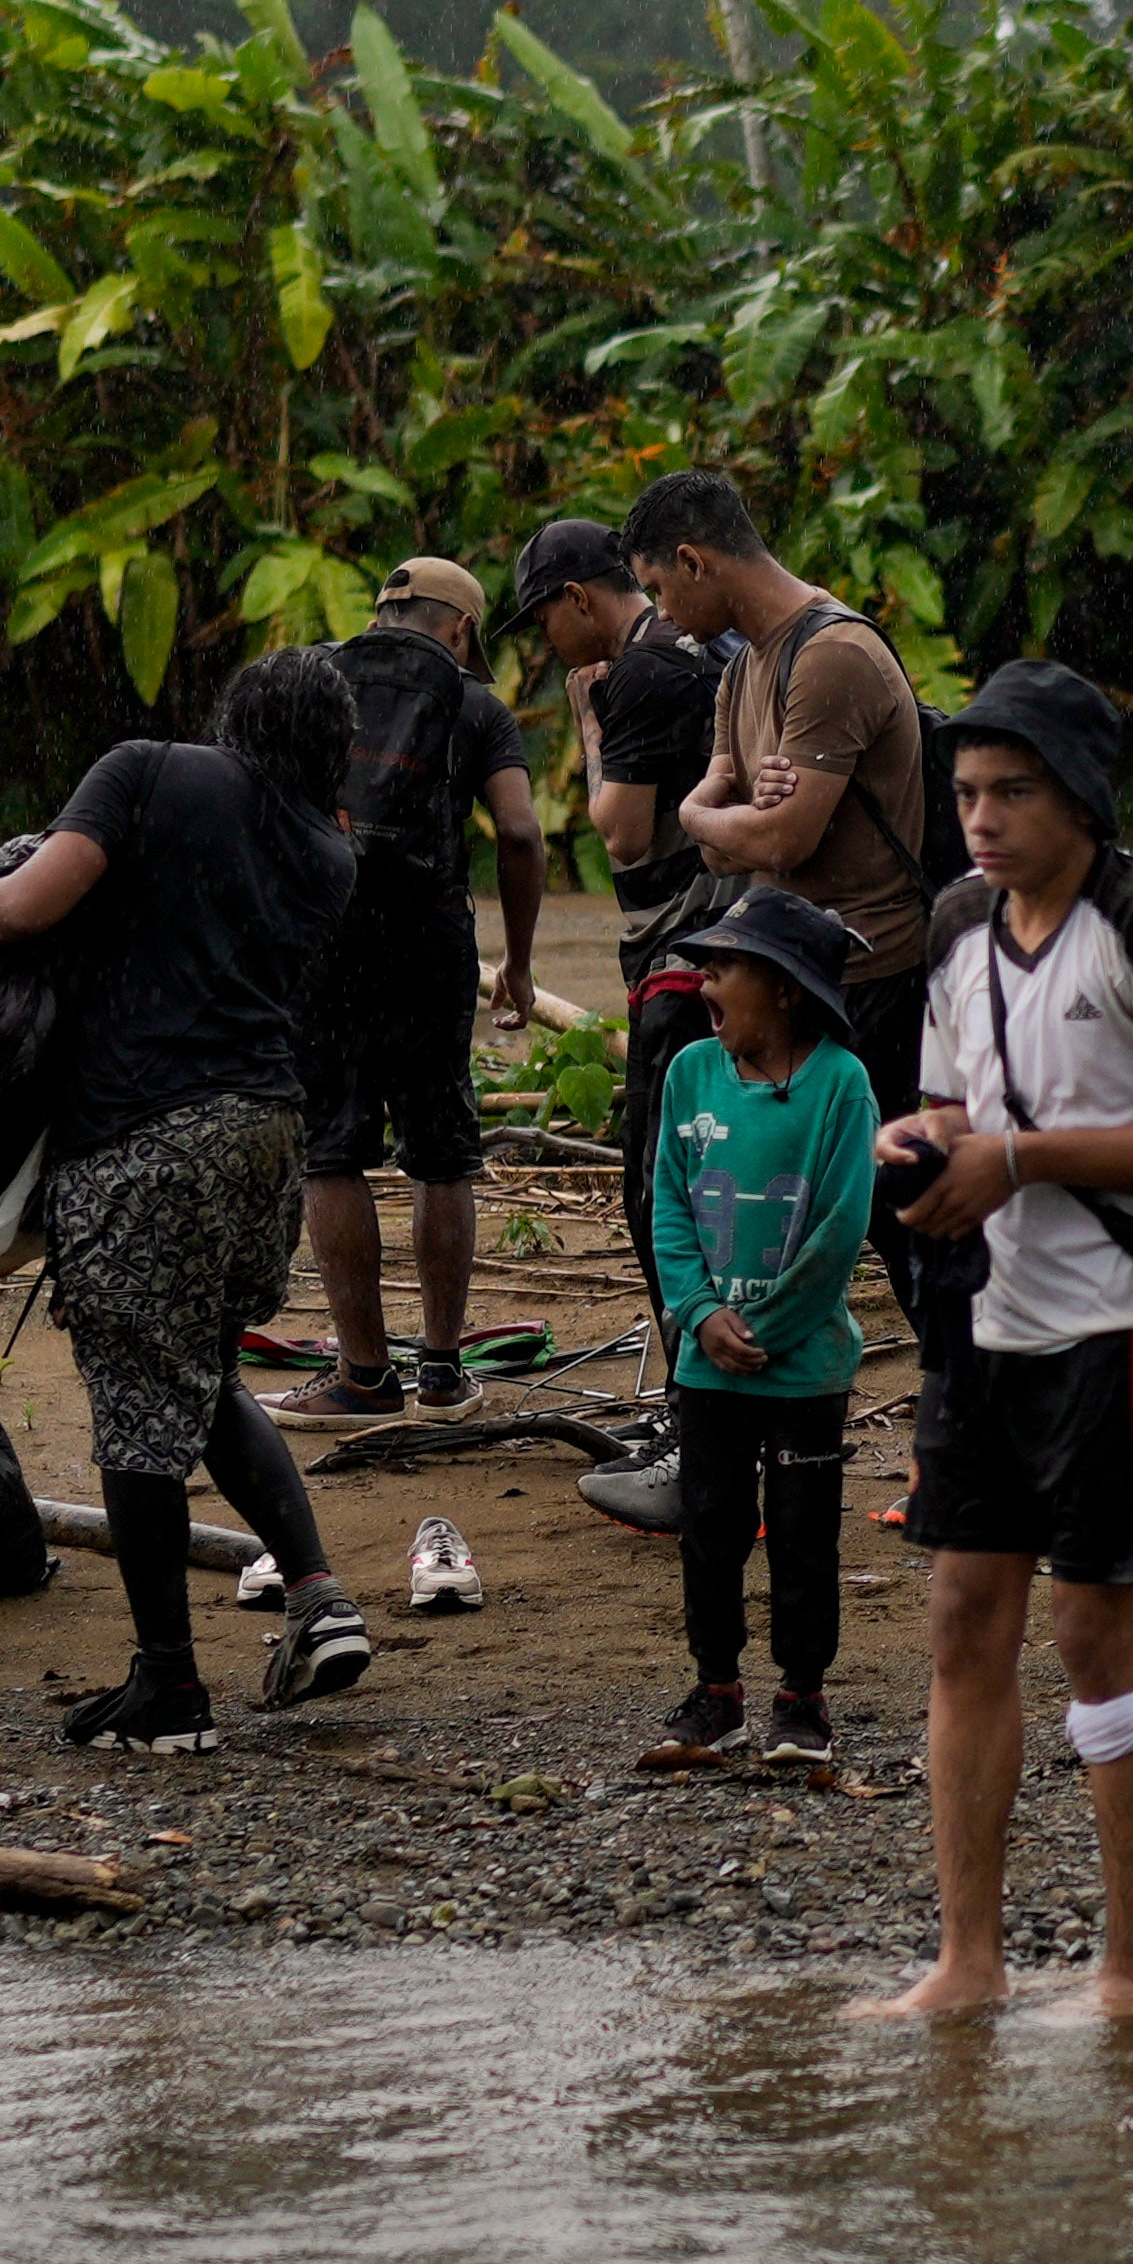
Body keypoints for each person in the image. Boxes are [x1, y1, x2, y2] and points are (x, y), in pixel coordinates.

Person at [882, 663, 1133, 2023]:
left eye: (1011, 792)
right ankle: (966, 1962)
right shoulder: (957, 929)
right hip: (984, 1316)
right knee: (963, 1618)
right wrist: (915, 1146)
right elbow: (942, 1104)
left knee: (1100, 1631)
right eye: (967, 792)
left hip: (1119, 1321)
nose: (980, 817)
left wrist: (1022, 1156)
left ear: (1079, 795)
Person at [0, 647, 379, 1745]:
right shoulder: (330, 848)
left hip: (147, 1137)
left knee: (137, 1397)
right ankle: (317, 1596)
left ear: (235, 711)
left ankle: (169, 1686)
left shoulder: (150, 770)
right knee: (198, 1370)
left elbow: (23, 909)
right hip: (268, 1133)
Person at [629, 474, 952, 1388]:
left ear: (694, 560)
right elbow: (722, 818)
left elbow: (776, 835)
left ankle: (976, 1425)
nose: (661, 611)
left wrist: (713, 820)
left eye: (659, 587)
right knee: (771, 1203)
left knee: (905, 1211)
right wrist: (714, 818)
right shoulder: (743, 666)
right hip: (791, 979)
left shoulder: (832, 656)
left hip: (874, 976)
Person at [634, 882, 884, 1783]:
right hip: (709, 1366)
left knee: (805, 1530)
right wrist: (701, 1318)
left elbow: (839, 1226)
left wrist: (764, 1328)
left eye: (722, 967)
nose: (703, 982)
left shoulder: (840, 1086)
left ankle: (802, 1696)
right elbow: (666, 1202)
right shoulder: (690, 1073)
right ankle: (717, 1691)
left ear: (782, 987)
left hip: (803, 1363)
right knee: (709, 1524)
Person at [520, 509, 738, 1530]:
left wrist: (588, 719)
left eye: (544, 620)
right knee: (698, 1179)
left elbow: (619, 827)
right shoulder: (700, 651)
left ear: (578, 598)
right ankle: (709, 1413)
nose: (546, 646)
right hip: (721, 947)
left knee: (659, 1186)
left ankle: (704, 1428)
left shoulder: (644, 672)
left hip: (682, 956)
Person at [295, 556, 527, 1417]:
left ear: (381, 612)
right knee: (440, 1153)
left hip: (328, 940)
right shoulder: (474, 705)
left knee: (331, 1149)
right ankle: (438, 1371)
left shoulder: (317, 686)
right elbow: (522, 833)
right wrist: (523, 963)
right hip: (431, 945)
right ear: (462, 628)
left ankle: (362, 1376)